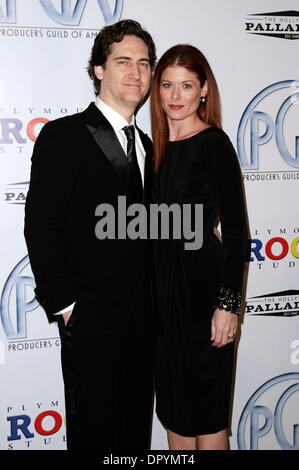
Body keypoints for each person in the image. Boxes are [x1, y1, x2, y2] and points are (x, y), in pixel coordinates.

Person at [24, 20, 157, 451]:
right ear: (99, 69)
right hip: (90, 322)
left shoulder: (148, 146)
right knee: (95, 438)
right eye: (123, 61)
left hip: (143, 322)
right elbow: (41, 227)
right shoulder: (64, 136)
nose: (136, 72)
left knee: (134, 436)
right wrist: (67, 308)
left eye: (144, 63)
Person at [150, 44, 248, 450]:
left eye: (186, 85)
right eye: (168, 85)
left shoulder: (214, 144)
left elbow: (238, 231)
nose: (176, 96)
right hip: (161, 302)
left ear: (203, 90)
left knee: (207, 417)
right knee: (174, 413)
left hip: (204, 299)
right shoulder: (149, 149)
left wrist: (228, 305)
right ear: (157, 90)